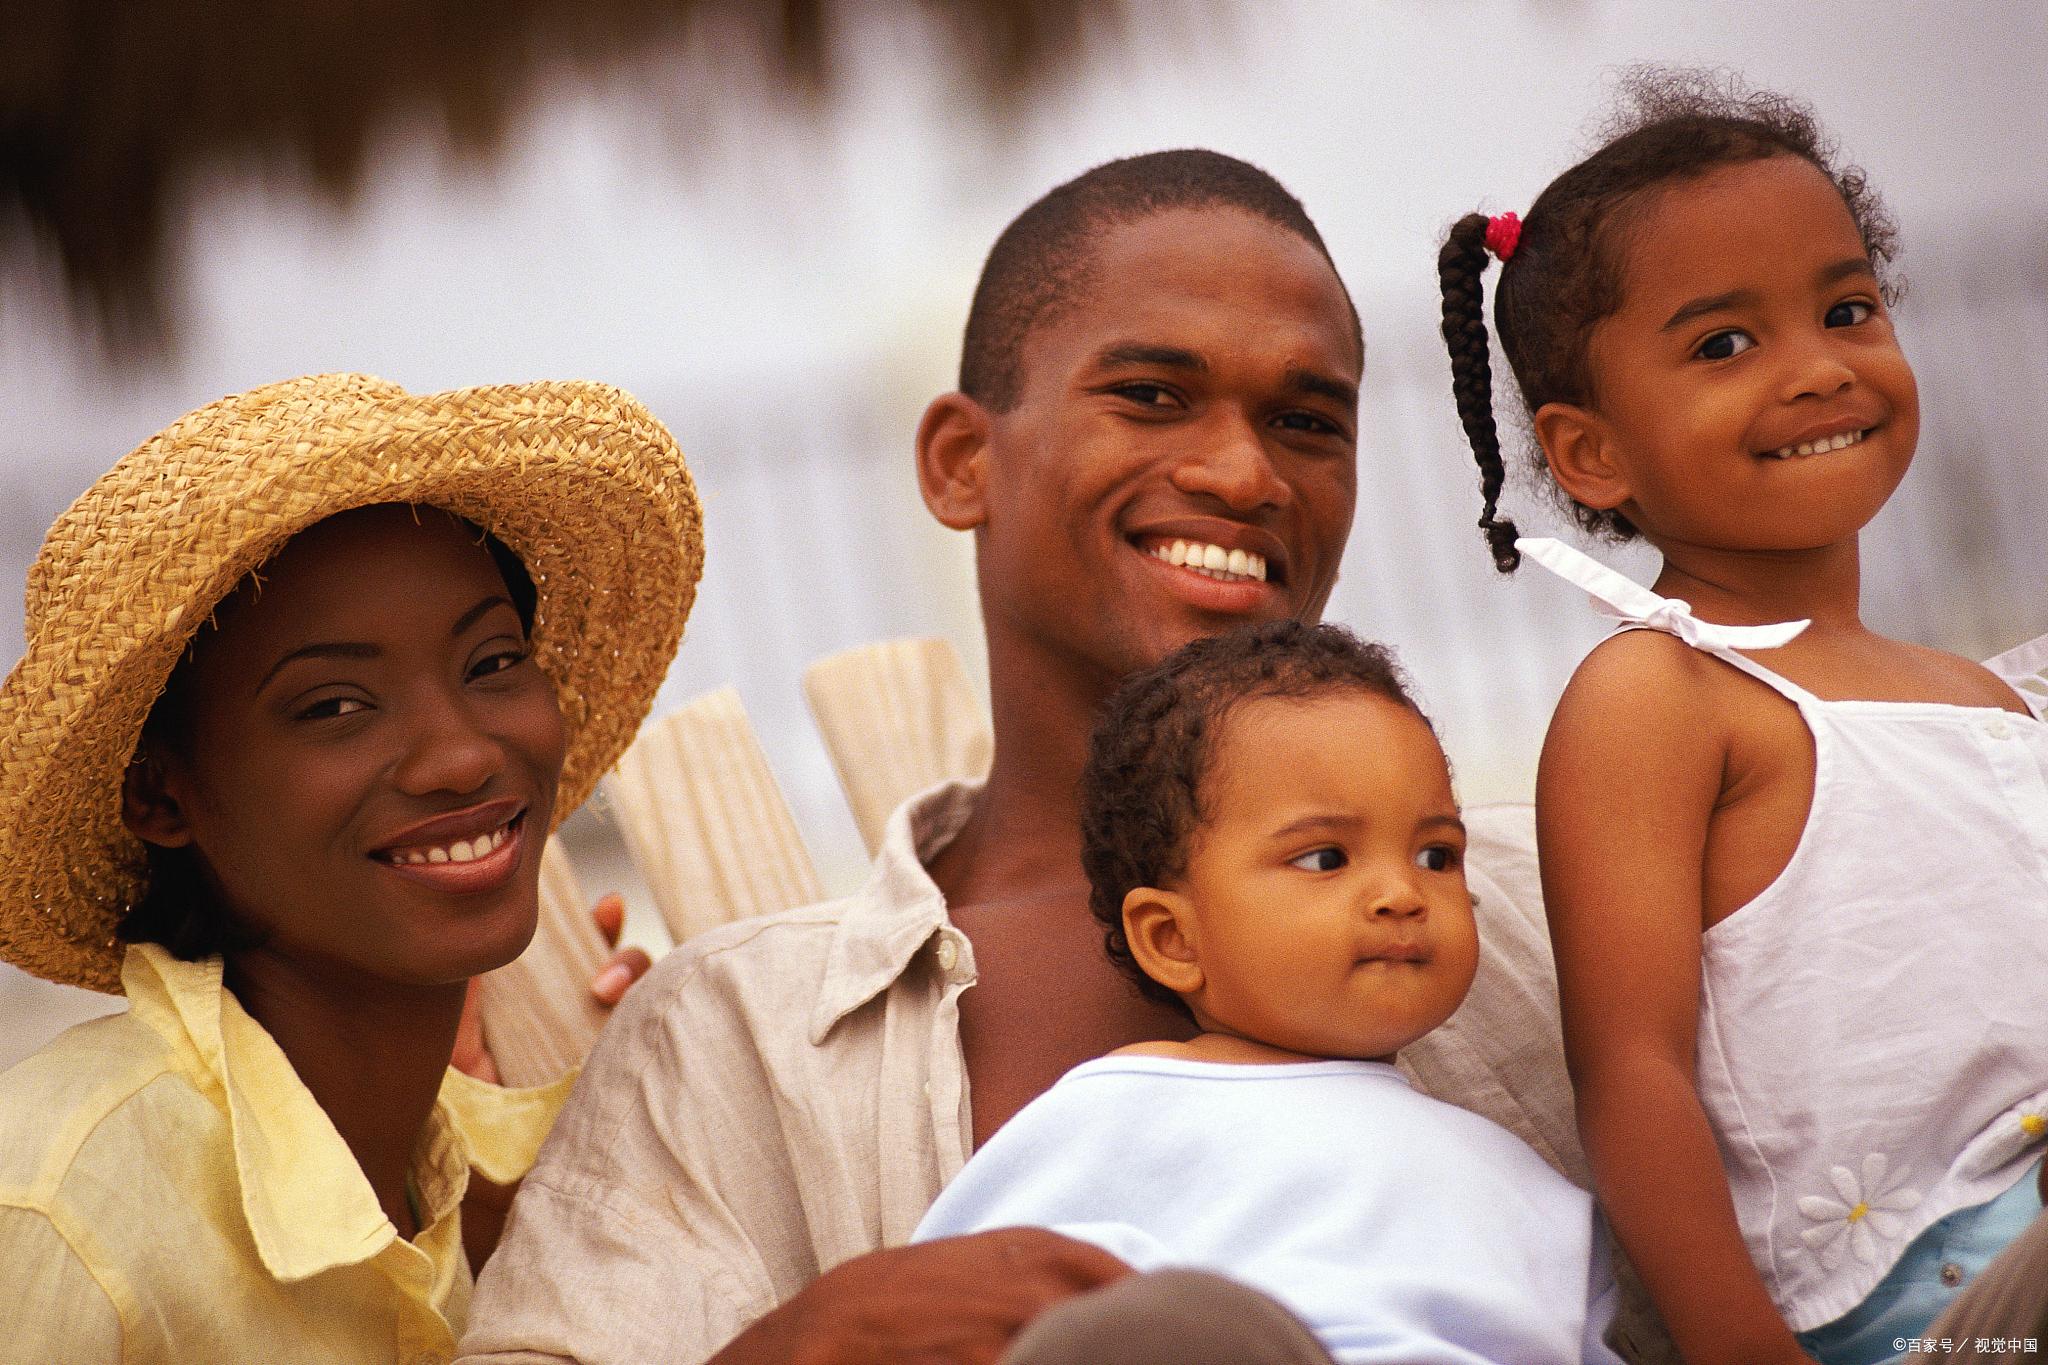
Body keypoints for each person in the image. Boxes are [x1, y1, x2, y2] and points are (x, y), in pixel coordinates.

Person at [463, 149, 1588, 1365]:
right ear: (960, 463)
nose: (1242, 473)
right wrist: (792, 1350)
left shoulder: (1555, 912)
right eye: (1152, 396)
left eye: (1305, 421)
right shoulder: (739, 1033)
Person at [1435, 69, 2048, 1365]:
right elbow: (1634, 1074)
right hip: (1939, 1300)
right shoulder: (1665, 693)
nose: (1819, 367)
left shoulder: (1984, 697)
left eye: (1847, 307)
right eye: (1725, 342)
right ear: (1593, 452)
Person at [0, 373, 704, 1362]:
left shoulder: (491, 1162)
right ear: (159, 797)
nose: (460, 756)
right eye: (334, 706)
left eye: (492, 661)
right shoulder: (61, 1208)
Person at [912, 619, 1623, 1365]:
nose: (1402, 892)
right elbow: (955, 1312)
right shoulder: (1117, 1115)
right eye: (1325, 857)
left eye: (1436, 853)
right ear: (1172, 938)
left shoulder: (1536, 1186)